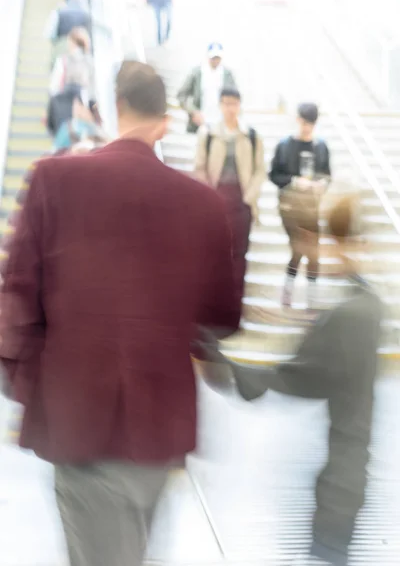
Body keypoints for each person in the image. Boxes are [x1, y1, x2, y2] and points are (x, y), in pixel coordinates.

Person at [0, 61, 240, 566]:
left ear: (113, 109)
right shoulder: (202, 203)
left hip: (78, 419)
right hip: (160, 427)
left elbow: (17, 294)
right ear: (165, 122)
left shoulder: (53, 178)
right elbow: (221, 314)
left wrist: (24, 382)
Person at [196, 195, 383, 566]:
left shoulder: (351, 314)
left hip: (340, 482)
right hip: (346, 472)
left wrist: (215, 355)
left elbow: (295, 378)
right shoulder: (366, 303)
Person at [195, 88, 265, 308]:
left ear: (240, 105)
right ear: (219, 105)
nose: (230, 108)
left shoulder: (251, 135)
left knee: (240, 253)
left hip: (241, 202)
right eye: (226, 103)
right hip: (216, 201)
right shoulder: (208, 133)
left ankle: (236, 301)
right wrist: (209, 197)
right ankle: (217, 300)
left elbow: (260, 170)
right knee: (215, 252)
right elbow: (199, 168)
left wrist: (248, 196)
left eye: (234, 103)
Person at [269, 103, 331, 309]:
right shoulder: (285, 145)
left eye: (310, 123)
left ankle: (306, 298)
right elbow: (274, 174)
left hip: (311, 207)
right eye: (303, 122)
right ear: (297, 120)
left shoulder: (320, 147)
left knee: (312, 251)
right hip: (289, 207)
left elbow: (327, 175)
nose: (306, 127)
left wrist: (321, 184)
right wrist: (295, 181)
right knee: (300, 247)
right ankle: (290, 294)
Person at [177, 42, 237, 133]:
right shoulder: (197, 73)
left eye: (218, 57)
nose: (215, 60)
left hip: (221, 122)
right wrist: (193, 112)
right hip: (200, 123)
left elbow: (235, 98)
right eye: (213, 57)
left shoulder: (227, 75)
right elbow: (181, 95)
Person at [44, 0, 91, 68]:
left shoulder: (60, 11)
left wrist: (55, 43)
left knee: (58, 72)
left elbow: (50, 33)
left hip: (61, 46)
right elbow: (88, 39)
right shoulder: (86, 16)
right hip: (79, 53)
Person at [49, 27, 95, 99]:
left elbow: (54, 87)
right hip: (83, 104)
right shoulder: (90, 62)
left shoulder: (63, 60)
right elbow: (93, 89)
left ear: (72, 42)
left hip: (65, 103)